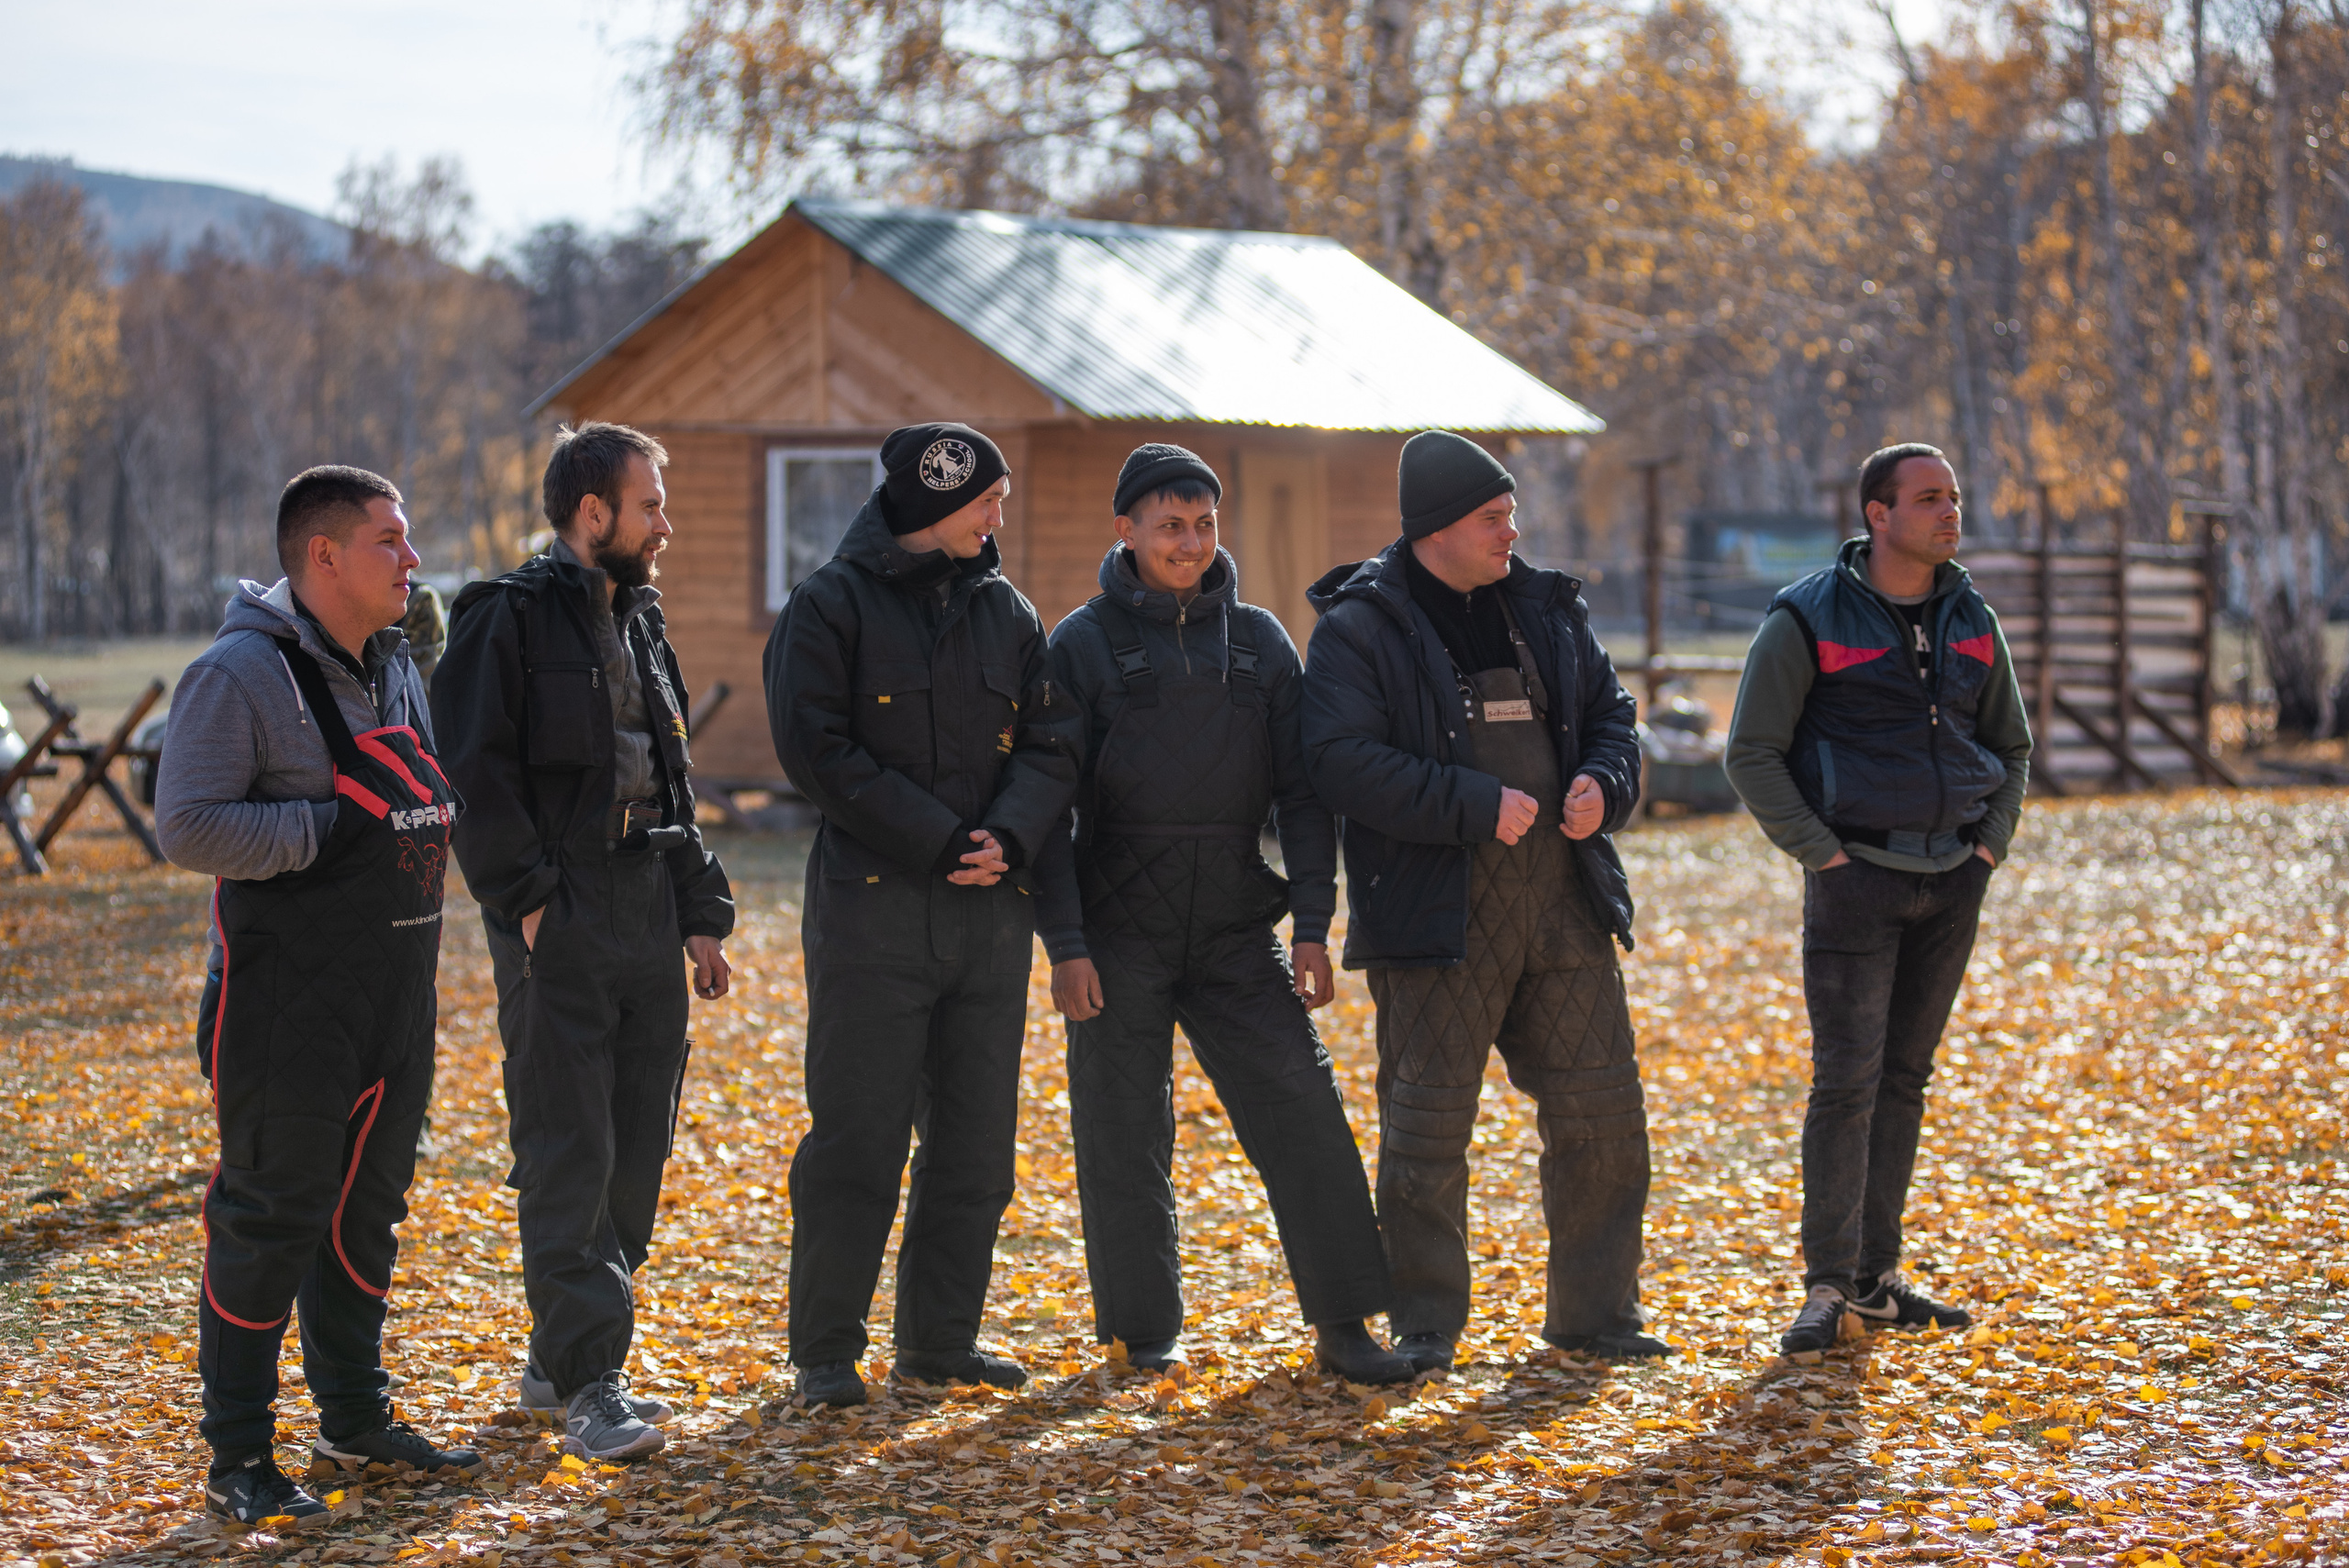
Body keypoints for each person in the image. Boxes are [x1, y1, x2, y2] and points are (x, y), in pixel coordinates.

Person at [1039, 445, 1412, 1385]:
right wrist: (1067, 943)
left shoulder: (1258, 643)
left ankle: (1344, 1321)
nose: (1191, 543)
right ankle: (1143, 1329)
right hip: (1117, 932)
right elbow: (1044, 805)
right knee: (1121, 1131)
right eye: (1170, 525)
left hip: (1236, 930)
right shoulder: (1081, 645)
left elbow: (1303, 797)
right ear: (1124, 529)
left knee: (1303, 1107)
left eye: (1204, 524)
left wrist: (1316, 924)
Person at [156, 466, 478, 1526]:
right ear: (324, 556)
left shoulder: (392, 665)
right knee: (269, 1216)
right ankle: (239, 1456)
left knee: (365, 1213)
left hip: (398, 995)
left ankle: (352, 1413)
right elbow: (189, 824)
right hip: (281, 1004)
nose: (412, 559)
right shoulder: (237, 674)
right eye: (390, 540)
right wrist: (322, 830)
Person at [1301, 430, 1660, 1373]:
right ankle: (1425, 1324)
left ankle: (1596, 1313)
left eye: (1510, 515)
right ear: (1436, 529)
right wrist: (1469, 804)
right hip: (1434, 909)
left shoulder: (1543, 608)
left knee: (1602, 1113)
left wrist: (1601, 783)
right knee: (1426, 1127)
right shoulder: (1359, 626)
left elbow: (1615, 717)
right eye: (1493, 517)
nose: (1513, 531)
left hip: (1561, 898)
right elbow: (1339, 761)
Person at [435, 423, 736, 1460]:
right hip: (557, 912)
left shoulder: (644, 623)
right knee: (570, 1147)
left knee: (636, 1149)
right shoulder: (501, 620)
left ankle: (559, 1356)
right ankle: (592, 1381)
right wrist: (525, 906)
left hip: (646, 901)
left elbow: (671, 778)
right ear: (593, 513)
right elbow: (469, 772)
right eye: (650, 505)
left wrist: (701, 910)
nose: (665, 525)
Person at [765, 422, 1081, 1408]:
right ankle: (825, 1350)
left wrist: (1010, 835)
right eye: (983, 498)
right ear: (929, 503)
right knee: (858, 1138)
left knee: (977, 1150)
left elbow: (1051, 744)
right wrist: (940, 836)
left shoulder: (1008, 611)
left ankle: (939, 1341)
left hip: (989, 922)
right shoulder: (828, 607)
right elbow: (815, 750)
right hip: (873, 916)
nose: (998, 513)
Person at [1723, 442, 2031, 1355]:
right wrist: (1822, 856)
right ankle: (1826, 1283)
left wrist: (1987, 847)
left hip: (1952, 881)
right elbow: (1751, 753)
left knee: (1904, 1078)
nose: (1949, 512)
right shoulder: (1806, 617)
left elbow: (2011, 745)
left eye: (1954, 496)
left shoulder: (1971, 615)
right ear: (1877, 514)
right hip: (1854, 880)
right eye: (1928, 498)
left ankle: (1875, 1277)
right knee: (1846, 1080)